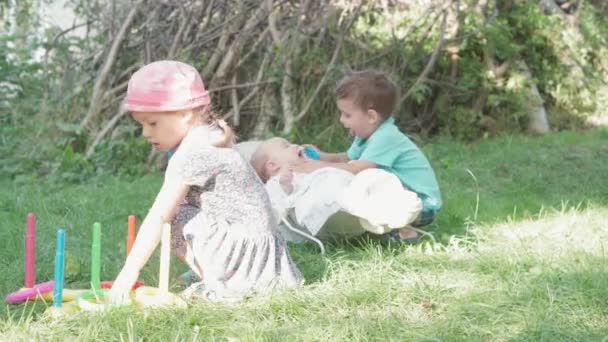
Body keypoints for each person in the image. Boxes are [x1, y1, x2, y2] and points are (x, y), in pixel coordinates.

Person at [109, 61, 302, 304]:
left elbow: (160, 216)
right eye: (142, 124)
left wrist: (129, 272)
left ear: (186, 114)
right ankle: (220, 273)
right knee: (182, 211)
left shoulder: (193, 151)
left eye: (153, 123)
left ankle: (225, 283)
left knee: (174, 217)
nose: (146, 133)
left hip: (247, 249)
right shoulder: (207, 135)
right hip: (256, 243)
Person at [287, 70, 442, 243]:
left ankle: (406, 232)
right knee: (369, 184)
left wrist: (316, 167)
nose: (341, 120)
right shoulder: (365, 134)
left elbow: (356, 169)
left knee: (368, 179)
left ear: (371, 116)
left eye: (347, 115)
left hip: (424, 204)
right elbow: (347, 158)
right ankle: (388, 227)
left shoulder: (386, 136)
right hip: (407, 194)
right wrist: (322, 157)